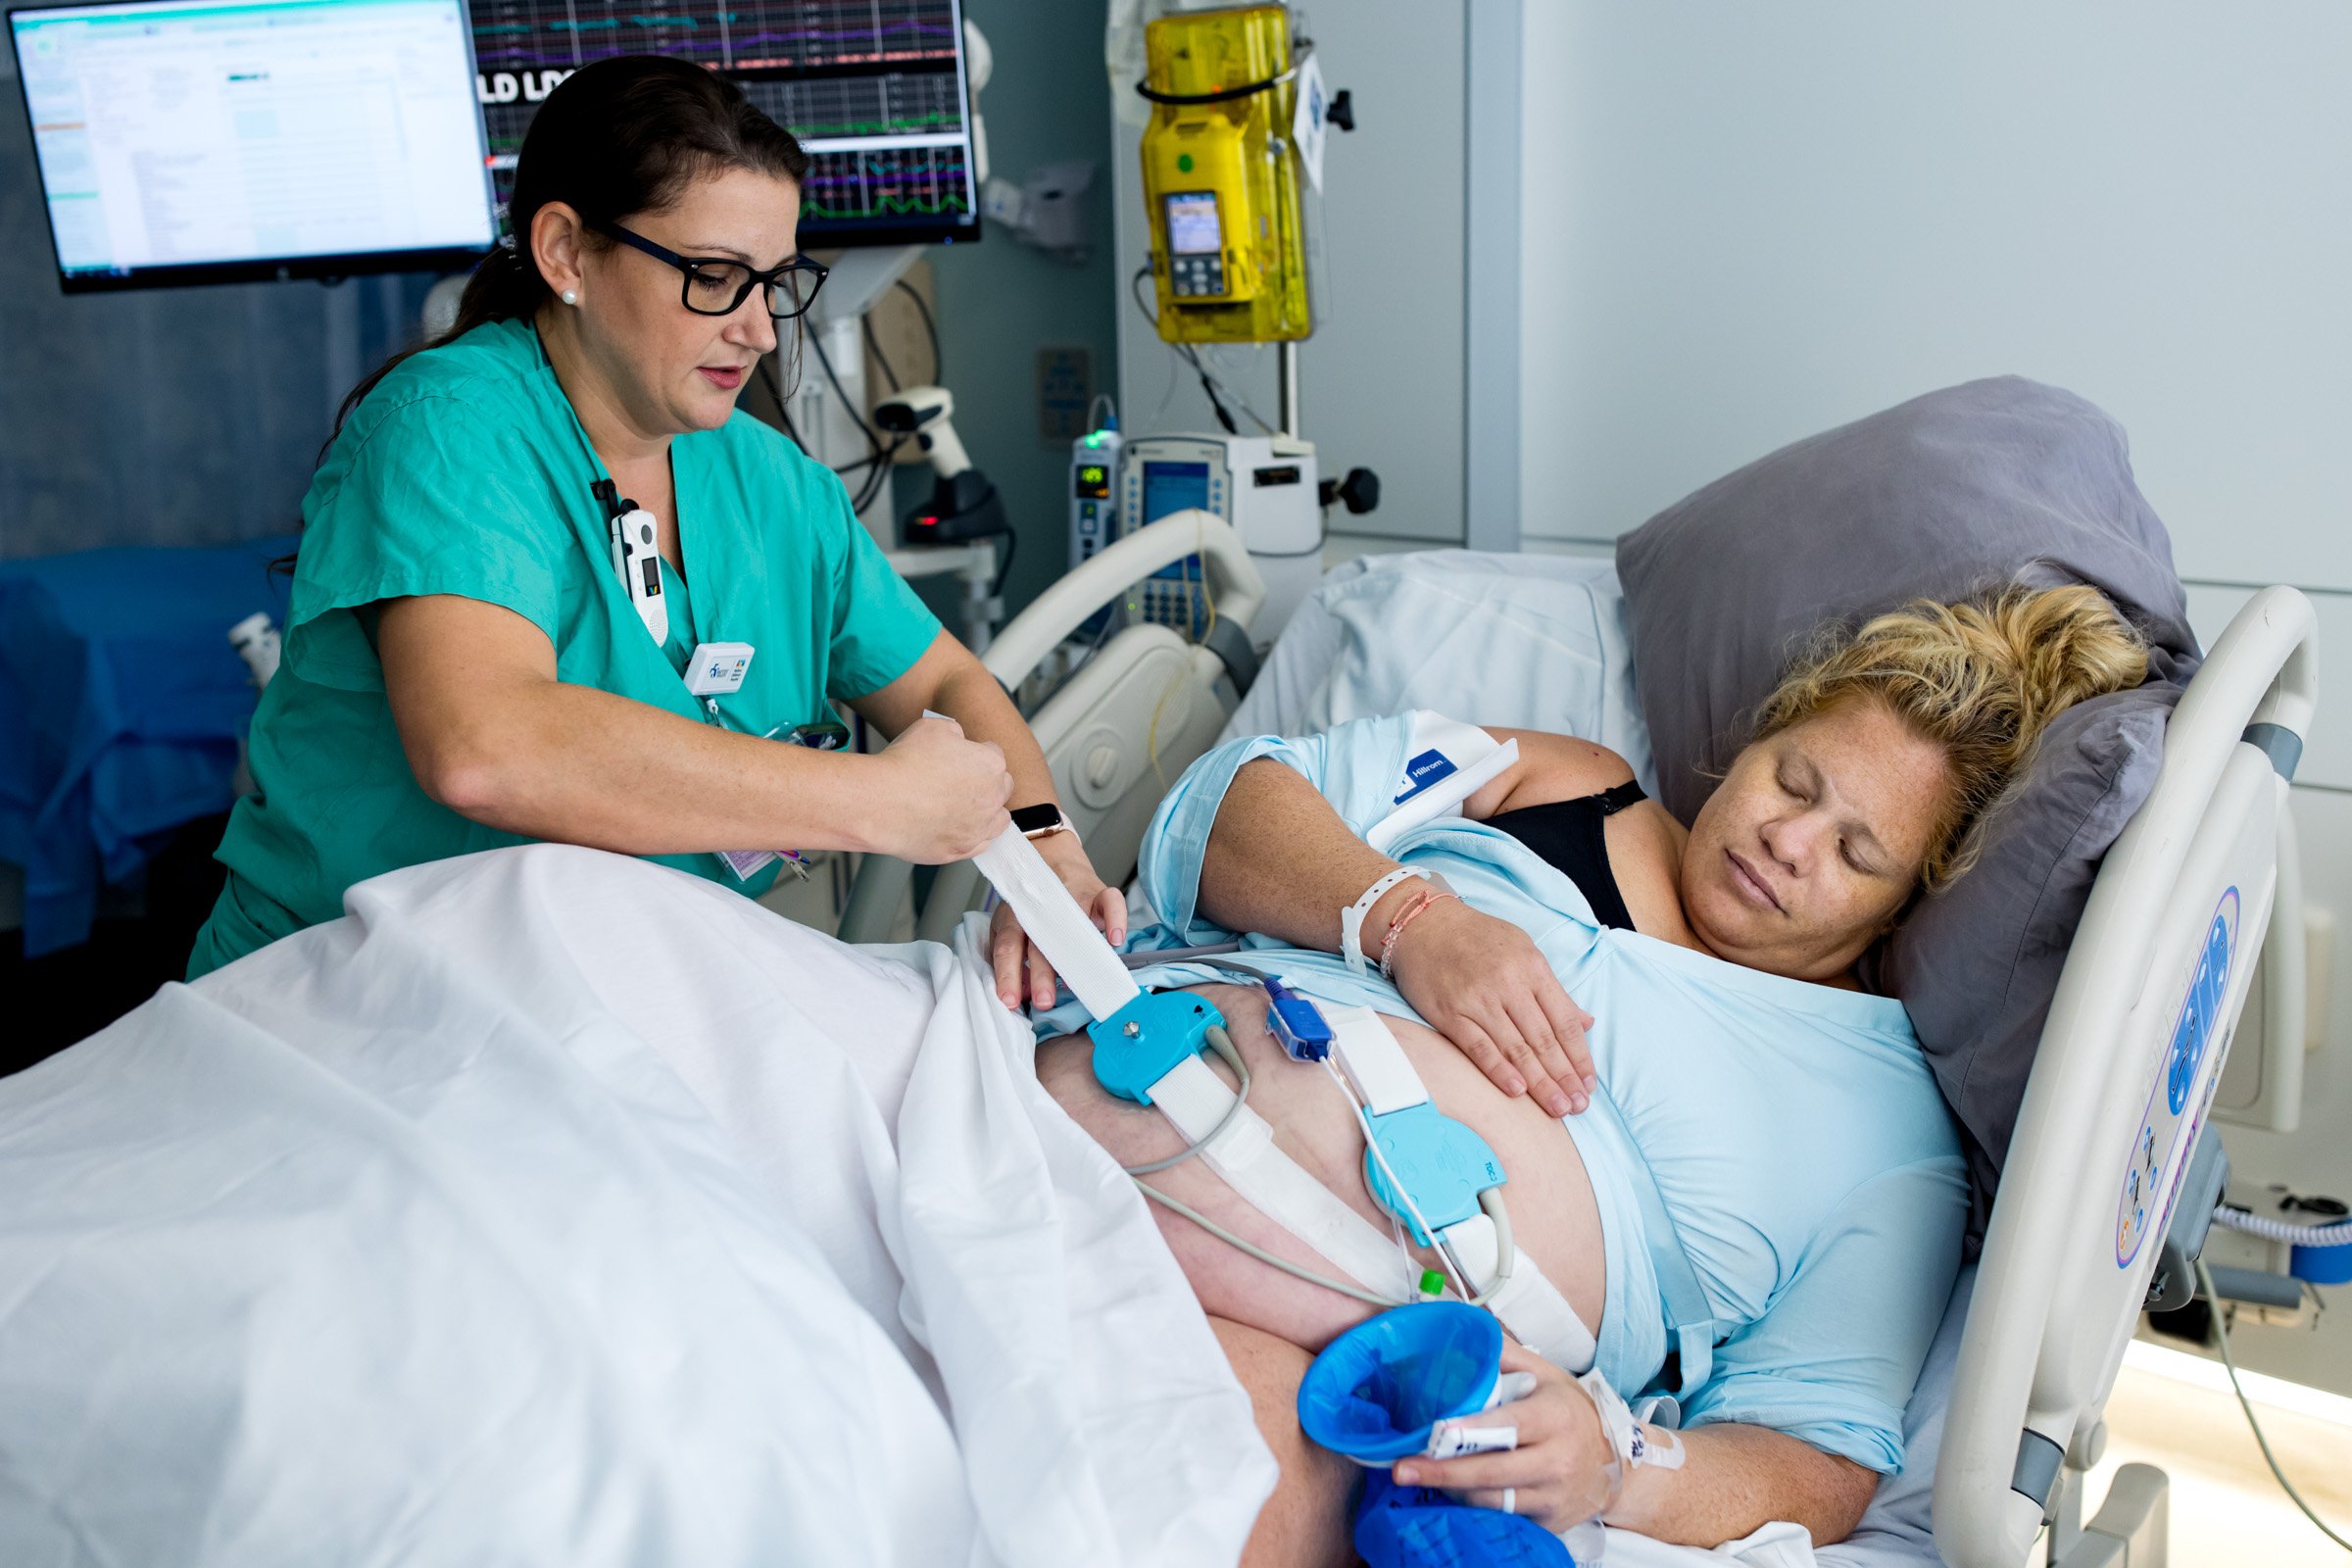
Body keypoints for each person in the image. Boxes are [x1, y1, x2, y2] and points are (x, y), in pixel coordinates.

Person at [1037, 584, 2150, 1561]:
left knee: (1146, 1508)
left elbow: (1818, 1459)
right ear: (1755, 737)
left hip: (1319, 1366)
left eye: (1857, 853)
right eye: (1790, 778)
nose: (1790, 841)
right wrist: (1407, 918)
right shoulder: (1564, 785)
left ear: (1910, 901)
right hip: (1021, 1100)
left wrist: (1618, 1461)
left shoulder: (1890, 1133)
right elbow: (1223, 806)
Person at [188, 58, 1111, 997]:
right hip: (359, 997)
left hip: (617, 1005)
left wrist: (1046, 849)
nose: (758, 330)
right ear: (566, 253)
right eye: (714, 277)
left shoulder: (770, 482)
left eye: (773, 283)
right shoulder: (450, 428)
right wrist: (877, 803)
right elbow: (486, 746)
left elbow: (945, 677)